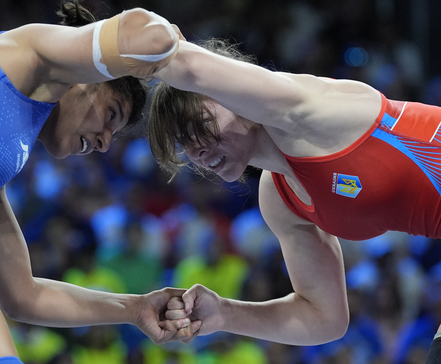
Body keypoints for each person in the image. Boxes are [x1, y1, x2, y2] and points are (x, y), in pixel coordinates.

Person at [0, 0, 198, 364]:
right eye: (110, 114)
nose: (104, 141)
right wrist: (185, 60)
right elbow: (150, 37)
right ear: (88, 78)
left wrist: (134, 307)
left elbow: (22, 296)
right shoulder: (32, 50)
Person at [147, 36, 441, 362]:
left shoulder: (305, 108)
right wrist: (225, 313)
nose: (196, 151)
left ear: (237, 96)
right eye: (184, 142)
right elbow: (324, 318)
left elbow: (187, 64)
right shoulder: (278, 199)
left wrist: (103, 50)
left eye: (200, 126)